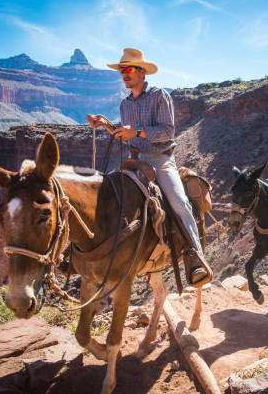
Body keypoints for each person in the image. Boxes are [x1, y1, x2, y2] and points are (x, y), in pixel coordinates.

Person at [86, 48, 210, 287]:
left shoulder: (159, 96)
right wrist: (105, 125)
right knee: (104, 195)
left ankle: (196, 258)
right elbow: (126, 134)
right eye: (122, 70)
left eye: (129, 69)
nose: (125, 74)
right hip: (135, 160)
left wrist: (138, 132)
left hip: (160, 160)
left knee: (178, 202)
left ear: (142, 72)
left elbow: (167, 131)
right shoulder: (125, 104)